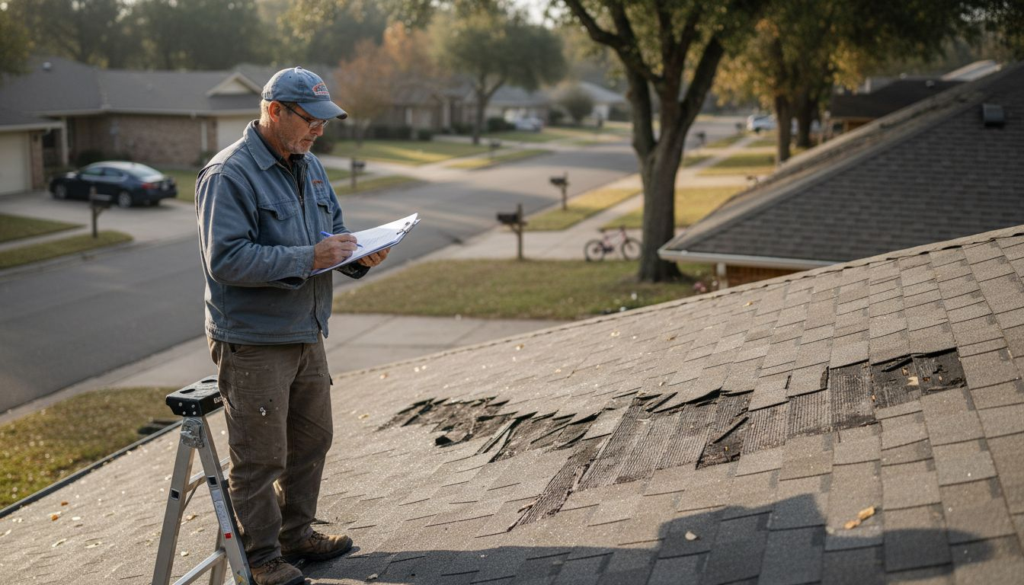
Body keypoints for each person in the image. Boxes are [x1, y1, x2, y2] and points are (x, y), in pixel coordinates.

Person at [195, 67, 388, 585]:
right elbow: (226, 259)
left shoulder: (311, 165)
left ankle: (295, 534)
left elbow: (334, 236)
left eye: (325, 122)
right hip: (253, 341)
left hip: (306, 329)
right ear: (274, 110)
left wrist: (358, 256)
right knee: (260, 458)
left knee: (312, 439)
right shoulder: (228, 174)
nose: (319, 131)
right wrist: (310, 256)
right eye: (311, 120)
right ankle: (260, 560)